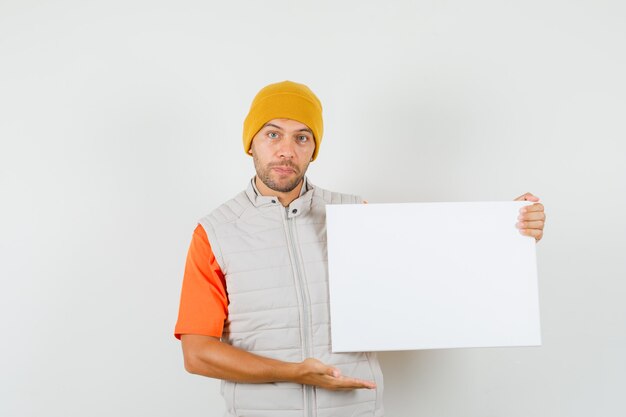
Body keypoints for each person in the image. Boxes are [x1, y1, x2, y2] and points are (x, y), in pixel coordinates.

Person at [174, 80, 546, 417]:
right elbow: (198, 353)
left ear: (314, 148)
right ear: (250, 142)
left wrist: (506, 227)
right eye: (273, 134)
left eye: (302, 137)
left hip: (352, 409)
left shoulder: (355, 215)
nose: (286, 150)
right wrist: (294, 373)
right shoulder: (216, 232)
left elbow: (437, 276)